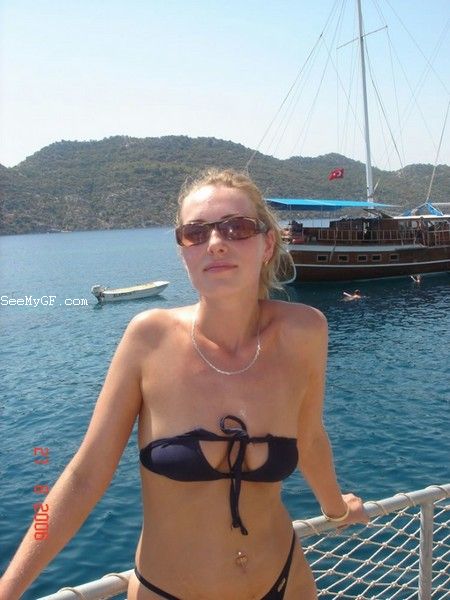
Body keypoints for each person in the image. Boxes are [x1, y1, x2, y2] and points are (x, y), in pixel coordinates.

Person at [0, 169, 368, 600]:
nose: (216, 242)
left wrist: (336, 509)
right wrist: (9, 587)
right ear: (183, 253)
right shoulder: (149, 338)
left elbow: (309, 436)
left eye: (237, 227)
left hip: (286, 580)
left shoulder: (305, 331)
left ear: (268, 244)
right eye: (195, 233)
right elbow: (84, 477)